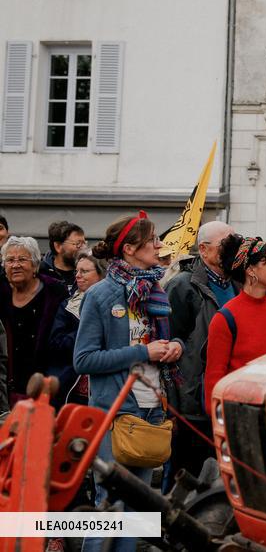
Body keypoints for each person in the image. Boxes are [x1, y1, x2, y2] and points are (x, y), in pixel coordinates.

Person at [74, 212, 183, 552]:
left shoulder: (155, 290)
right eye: (153, 240)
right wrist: (142, 352)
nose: (160, 245)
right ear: (132, 248)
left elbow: (163, 342)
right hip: (115, 415)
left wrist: (176, 347)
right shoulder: (101, 295)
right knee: (111, 507)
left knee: (139, 511)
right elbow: (84, 360)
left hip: (152, 411)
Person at [164, 220, 237, 484]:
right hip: (193, 404)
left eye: (234, 242)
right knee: (185, 480)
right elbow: (169, 344)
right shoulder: (183, 286)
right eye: (225, 245)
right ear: (204, 250)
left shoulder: (238, 283)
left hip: (227, 399)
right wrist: (175, 407)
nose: (232, 250)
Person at [204, 236, 266, 413]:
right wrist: (218, 422)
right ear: (251, 269)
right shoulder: (225, 317)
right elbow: (214, 379)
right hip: (241, 417)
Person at [0, 236, 69, 404]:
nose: (15, 265)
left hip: (46, 386)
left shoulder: (55, 292)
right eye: (10, 260)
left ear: (35, 265)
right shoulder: (1, 293)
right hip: (7, 387)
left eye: (22, 259)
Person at [46, 252, 106, 408]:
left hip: (104, 387)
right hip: (72, 387)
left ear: (101, 274)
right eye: (77, 271)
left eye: (84, 271)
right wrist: (87, 329)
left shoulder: (116, 305)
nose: (78, 276)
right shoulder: (68, 306)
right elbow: (56, 343)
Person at [41, 221, 87, 293]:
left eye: (84, 243)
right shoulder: (41, 273)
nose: (83, 248)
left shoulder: (90, 271)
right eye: (78, 244)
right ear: (58, 246)